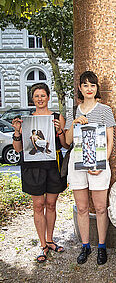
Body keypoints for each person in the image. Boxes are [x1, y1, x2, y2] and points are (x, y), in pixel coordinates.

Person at [12, 82, 68, 263]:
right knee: (38, 206)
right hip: (33, 167)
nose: (40, 99)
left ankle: (50, 239)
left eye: (43, 95)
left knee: (51, 204)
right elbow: (19, 149)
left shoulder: (58, 117)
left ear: (48, 97)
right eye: (36, 96)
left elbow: (66, 144)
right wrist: (17, 132)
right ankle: (43, 245)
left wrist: (59, 131)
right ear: (32, 99)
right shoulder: (27, 120)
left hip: (53, 166)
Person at [65, 71, 116, 265]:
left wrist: (101, 163)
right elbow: (68, 141)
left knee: (101, 207)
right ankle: (85, 245)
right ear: (79, 88)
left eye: (92, 85)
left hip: (98, 164)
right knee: (82, 207)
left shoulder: (105, 110)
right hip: (77, 164)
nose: (89, 89)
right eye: (85, 85)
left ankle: (101, 246)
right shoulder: (72, 111)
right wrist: (74, 123)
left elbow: (110, 141)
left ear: (96, 89)